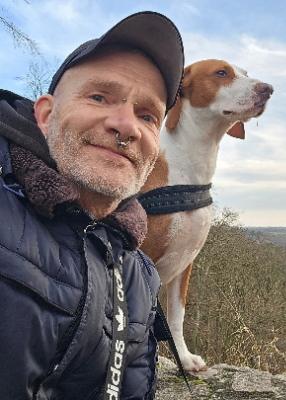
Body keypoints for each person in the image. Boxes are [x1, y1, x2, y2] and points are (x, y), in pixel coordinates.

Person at [0, 11, 184, 400]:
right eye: (99, 97)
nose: (126, 126)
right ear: (46, 115)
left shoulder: (139, 278)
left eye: (147, 115)